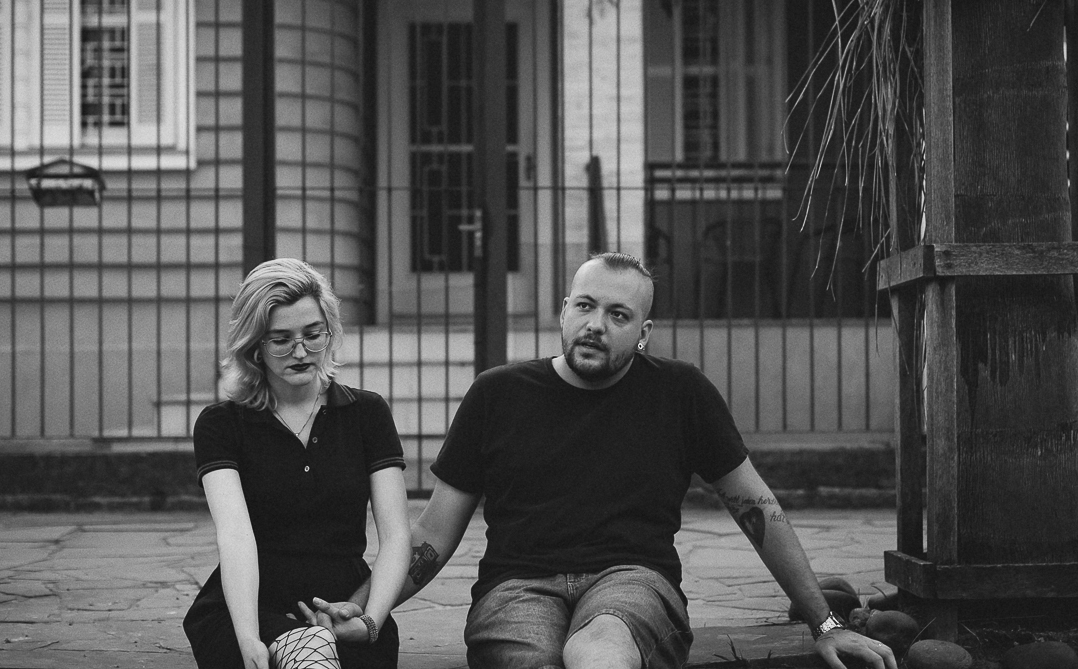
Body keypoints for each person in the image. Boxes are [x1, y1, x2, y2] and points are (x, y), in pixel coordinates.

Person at [307, 252, 898, 669]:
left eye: (618, 315)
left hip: (633, 580)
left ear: (643, 331)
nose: (596, 325)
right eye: (585, 306)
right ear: (564, 310)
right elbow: (433, 535)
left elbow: (757, 510)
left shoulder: (680, 393)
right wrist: (364, 608)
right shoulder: (498, 394)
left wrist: (826, 624)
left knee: (597, 653)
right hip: (517, 587)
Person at [183, 258, 410, 669]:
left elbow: (395, 536)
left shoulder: (367, 414)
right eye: (281, 339)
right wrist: (249, 637)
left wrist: (372, 621)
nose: (301, 351)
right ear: (254, 345)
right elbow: (235, 536)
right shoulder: (222, 425)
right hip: (250, 606)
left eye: (313, 334)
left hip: (345, 607)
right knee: (308, 652)